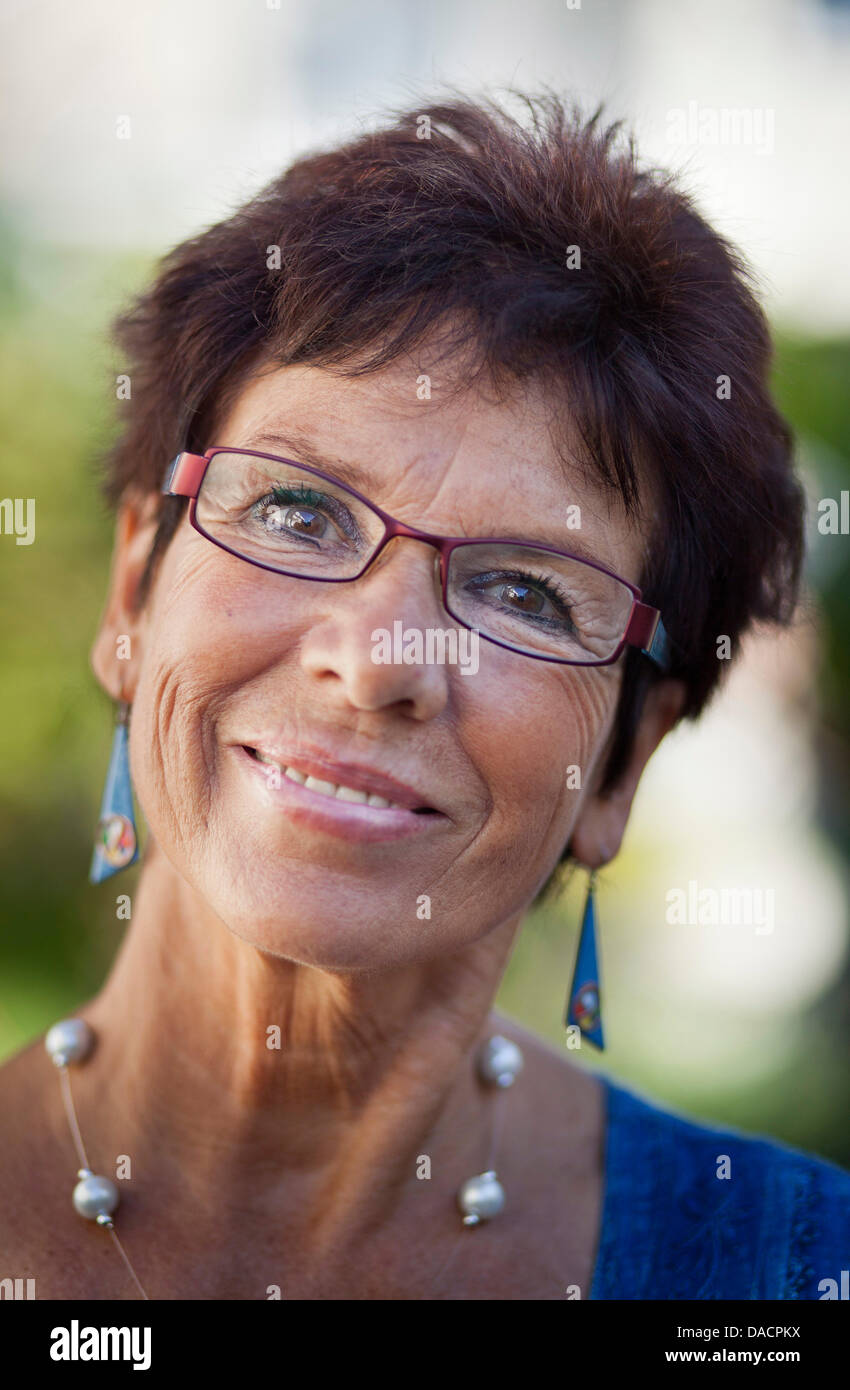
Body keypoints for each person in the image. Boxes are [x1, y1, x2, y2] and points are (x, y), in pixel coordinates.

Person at [1, 91, 847, 1300]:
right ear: (132, 595)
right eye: (298, 510)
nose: (380, 658)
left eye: (525, 593)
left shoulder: (792, 1277)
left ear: (624, 762)